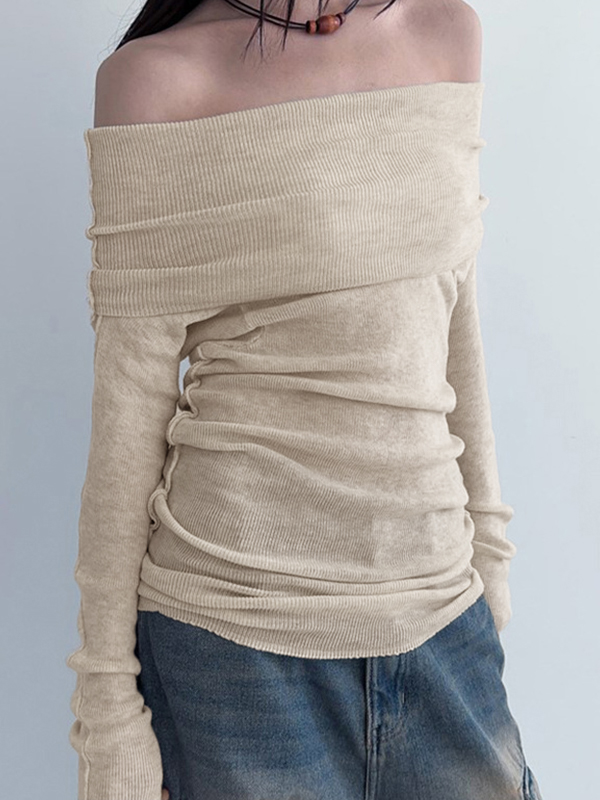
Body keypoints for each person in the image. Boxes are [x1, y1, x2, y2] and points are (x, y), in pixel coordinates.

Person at [65, 1, 543, 799]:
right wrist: (107, 712)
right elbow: (126, 416)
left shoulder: (445, 33)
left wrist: (488, 558)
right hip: (235, 651)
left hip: (442, 619)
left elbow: (451, 316)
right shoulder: (155, 82)